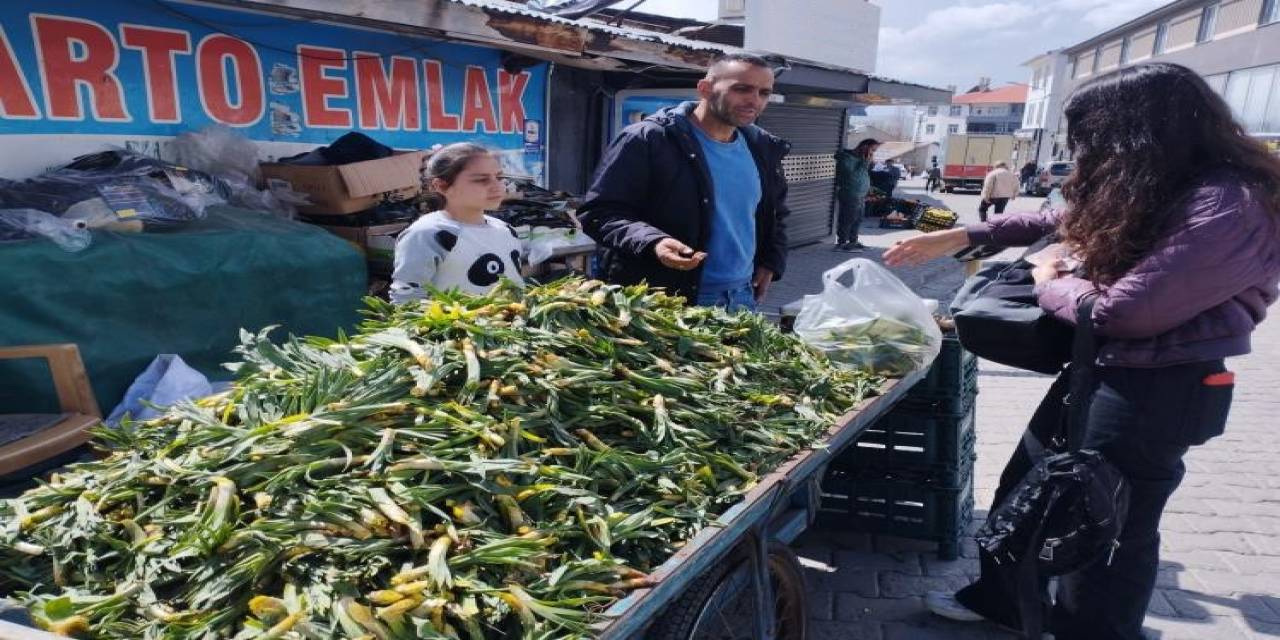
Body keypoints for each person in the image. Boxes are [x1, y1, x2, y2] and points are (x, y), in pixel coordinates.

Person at [884, 63, 1280, 640]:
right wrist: (964, 234)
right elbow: (1054, 217)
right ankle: (1004, 603)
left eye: (1092, 136)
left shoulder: (1230, 204)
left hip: (1160, 387)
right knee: (1028, 487)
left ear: (1136, 133)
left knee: (1109, 522)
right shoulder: (1168, 184)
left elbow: (1130, 311)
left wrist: (1051, 280)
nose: (1084, 150)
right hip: (1102, 370)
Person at [578, 53, 790, 312]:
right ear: (705, 88)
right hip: (664, 300)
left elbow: (775, 214)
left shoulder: (763, 148)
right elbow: (600, 213)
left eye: (764, 93)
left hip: (741, 296)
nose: (754, 100)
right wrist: (653, 243)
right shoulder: (648, 139)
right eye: (742, 89)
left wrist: (772, 260)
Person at [389, 143, 524, 302]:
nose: (497, 186)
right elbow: (407, 298)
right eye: (481, 179)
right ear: (441, 186)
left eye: (499, 177)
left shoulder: (506, 231)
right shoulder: (426, 234)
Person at [835, 138, 879, 251]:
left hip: (860, 194)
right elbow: (851, 175)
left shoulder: (861, 159)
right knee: (848, 218)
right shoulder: (846, 158)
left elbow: (862, 175)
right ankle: (841, 243)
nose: (872, 153)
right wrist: (864, 162)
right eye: (872, 150)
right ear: (864, 147)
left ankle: (853, 241)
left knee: (857, 218)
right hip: (850, 193)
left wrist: (869, 188)